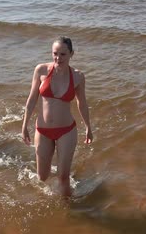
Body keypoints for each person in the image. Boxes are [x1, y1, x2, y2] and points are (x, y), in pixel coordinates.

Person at [22, 36, 93, 197]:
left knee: (63, 177)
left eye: (63, 54)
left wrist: (88, 127)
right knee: (42, 177)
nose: (58, 58)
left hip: (66, 131)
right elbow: (32, 99)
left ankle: (69, 211)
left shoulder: (77, 76)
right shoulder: (41, 70)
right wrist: (24, 125)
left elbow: (82, 103)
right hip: (43, 130)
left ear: (71, 54)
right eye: (55, 53)